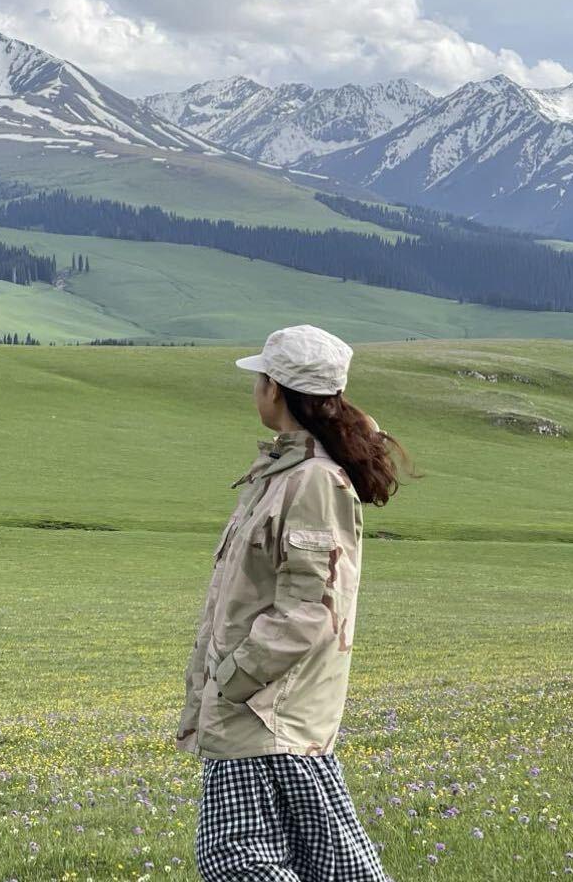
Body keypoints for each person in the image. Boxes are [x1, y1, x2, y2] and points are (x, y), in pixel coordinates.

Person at [175, 323, 418, 881]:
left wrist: (233, 679)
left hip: (265, 712)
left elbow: (311, 606)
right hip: (269, 712)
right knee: (329, 868)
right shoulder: (283, 473)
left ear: (277, 390)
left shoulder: (311, 482)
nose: (255, 388)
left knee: (234, 861)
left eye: (261, 378)